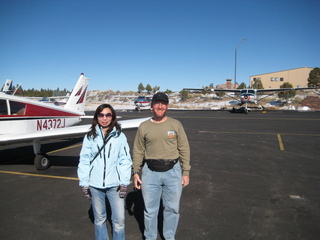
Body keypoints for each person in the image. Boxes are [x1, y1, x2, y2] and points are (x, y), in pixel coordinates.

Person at [132, 92, 191, 240]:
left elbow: (184, 148)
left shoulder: (175, 124)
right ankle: (150, 237)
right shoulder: (144, 126)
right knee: (150, 210)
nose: (160, 106)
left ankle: (169, 237)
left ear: (167, 106)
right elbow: (138, 150)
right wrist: (135, 172)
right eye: (157, 103)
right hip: (150, 173)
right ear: (151, 105)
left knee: (172, 209)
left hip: (173, 171)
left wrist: (186, 172)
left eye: (163, 103)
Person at [77, 104, 132, 240]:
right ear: (97, 117)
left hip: (115, 185)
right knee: (100, 219)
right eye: (101, 115)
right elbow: (84, 160)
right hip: (95, 186)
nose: (104, 118)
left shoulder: (119, 136)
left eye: (108, 115)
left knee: (119, 221)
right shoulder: (90, 136)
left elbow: (125, 160)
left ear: (113, 117)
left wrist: (124, 182)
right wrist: (84, 183)